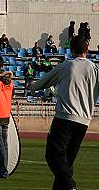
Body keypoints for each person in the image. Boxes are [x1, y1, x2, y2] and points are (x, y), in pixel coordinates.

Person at [29, 35, 99, 190]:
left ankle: (71, 187)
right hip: (84, 121)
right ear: (87, 49)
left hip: (65, 117)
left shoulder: (66, 66)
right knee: (67, 162)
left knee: (53, 156)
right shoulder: (95, 69)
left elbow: (43, 82)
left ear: (71, 49)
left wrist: (32, 87)